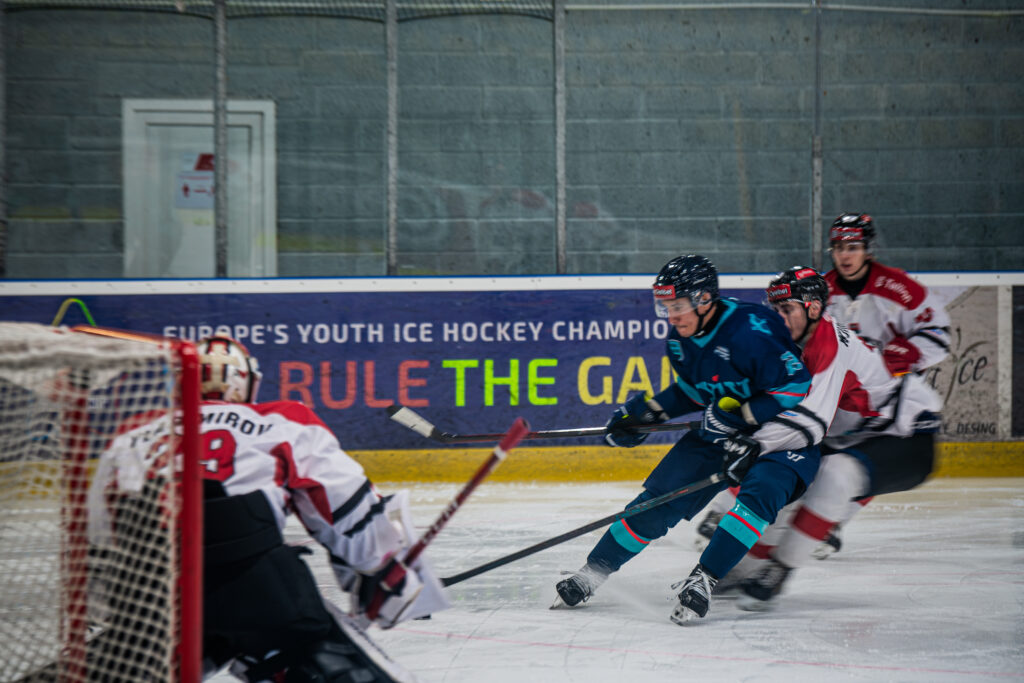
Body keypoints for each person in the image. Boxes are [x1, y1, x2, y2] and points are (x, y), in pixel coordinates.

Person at [90, 335, 447, 682]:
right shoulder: (282, 419)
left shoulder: (132, 435)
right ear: (247, 382)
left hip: (154, 600)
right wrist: (380, 570)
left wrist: (108, 610)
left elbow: (100, 537)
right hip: (257, 591)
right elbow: (343, 504)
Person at [552, 254, 818, 625]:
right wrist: (648, 415)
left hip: (786, 432)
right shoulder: (681, 341)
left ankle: (704, 580)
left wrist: (740, 416)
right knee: (656, 502)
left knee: (759, 496)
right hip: (723, 430)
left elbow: (796, 385)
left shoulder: (752, 329)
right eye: (666, 307)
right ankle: (593, 572)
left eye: (677, 306)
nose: (671, 317)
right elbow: (694, 391)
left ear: (704, 299)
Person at [695, 213, 952, 557]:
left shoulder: (900, 288)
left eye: (853, 247)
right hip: (832, 388)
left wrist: (899, 355)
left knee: (860, 456)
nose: (845, 255)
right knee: (795, 443)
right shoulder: (819, 289)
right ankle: (727, 509)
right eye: (838, 248)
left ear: (868, 249)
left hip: (875, 391)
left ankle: (829, 522)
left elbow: (938, 335)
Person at [707, 267, 942, 610]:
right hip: (851, 431)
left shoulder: (828, 345)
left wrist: (755, 442)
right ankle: (745, 568)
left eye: (787, 309)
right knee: (781, 480)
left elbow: (808, 421)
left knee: (834, 475)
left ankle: (781, 568)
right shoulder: (793, 341)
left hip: (905, 434)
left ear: (814, 308)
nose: (778, 318)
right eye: (775, 309)